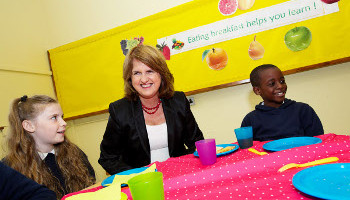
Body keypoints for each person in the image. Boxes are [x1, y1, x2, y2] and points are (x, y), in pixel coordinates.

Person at [98, 44, 204, 175]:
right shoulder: (119, 111)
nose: (144, 79)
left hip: (179, 175)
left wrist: (187, 168)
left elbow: (197, 143)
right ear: (130, 78)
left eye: (150, 71)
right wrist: (137, 176)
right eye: (137, 73)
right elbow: (108, 158)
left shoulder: (178, 100)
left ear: (161, 73)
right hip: (142, 183)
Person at [2, 95, 96, 199]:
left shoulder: (74, 152)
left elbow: (91, 187)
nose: (64, 123)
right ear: (29, 126)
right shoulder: (10, 167)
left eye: (62, 117)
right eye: (54, 117)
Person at [241, 64, 324, 141]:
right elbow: (249, 152)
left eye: (282, 81)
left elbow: (318, 142)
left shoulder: (303, 110)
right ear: (257, 90)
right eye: (272, 84)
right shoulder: (250, 120)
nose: (280, 86)